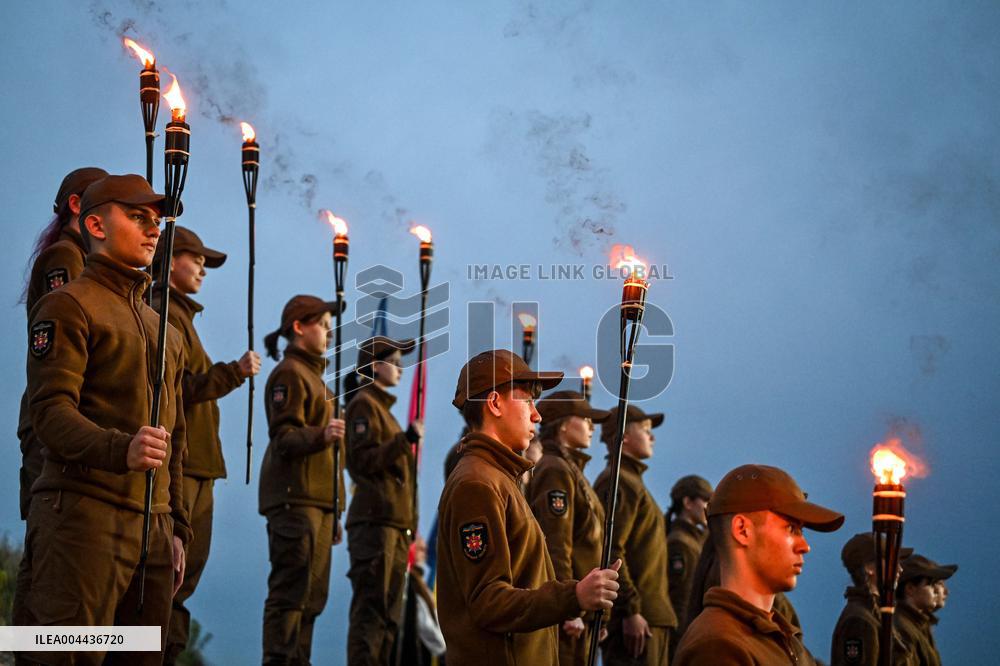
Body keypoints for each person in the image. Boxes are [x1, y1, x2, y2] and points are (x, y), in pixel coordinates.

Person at [19, 174, 191, 665]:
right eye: (137, 217)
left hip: (152, 535)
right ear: (94, 223)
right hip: (82, 521)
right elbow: (49, 413)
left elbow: (174, 440)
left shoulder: (167, 332)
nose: (153, 229)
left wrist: (177, 527)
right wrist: (122, 449)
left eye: (156, 221)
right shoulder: (68, 304)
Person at [437, 349, 621, 664]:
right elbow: (488, 602)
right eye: (527, 401)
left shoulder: (498, 478)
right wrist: (574, 596)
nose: (536, 415)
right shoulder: (477, 485)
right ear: (494, 403)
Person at [152, 226, 261, 664]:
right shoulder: (163, 313)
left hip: (199, 465)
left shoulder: (182, 317)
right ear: (171, 259)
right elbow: (181, 389)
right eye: (195, 258)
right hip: (183, 465)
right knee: (167, 580)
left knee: (182, 581)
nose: (201, 269)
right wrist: (233, 372)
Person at [13, 166, 108, 626]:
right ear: (78, 206)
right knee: (48, 549)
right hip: (52, 415)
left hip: (64, 414)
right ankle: (30, 652)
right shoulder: (65, 259)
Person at [674, 464, 844, 665]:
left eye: (802, 531)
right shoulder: (719, 646)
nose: (805, 546)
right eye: (791, 529)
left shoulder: (778, 636)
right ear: (742, 530)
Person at [258, 294, 346, 665]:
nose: (329, 332)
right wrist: (321, 435)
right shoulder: (290, 375)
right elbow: (282, 438)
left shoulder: (317, 380)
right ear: (298, 327)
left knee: (311, 600)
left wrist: (334, 508)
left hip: (318, 505)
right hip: (296, 503)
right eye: (323, 325)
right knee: (291, 598)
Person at [344, 335, 422, 665]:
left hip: (394, 526)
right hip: (375, 525)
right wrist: (404, 440)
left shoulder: (383, 411)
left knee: (389, 617)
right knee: (371, 614)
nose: (401, 368)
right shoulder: (364, 405)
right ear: (375, 366)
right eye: (394, 361)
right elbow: (361, 461)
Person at [526, 390, 611, 665]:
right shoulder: (555, 470)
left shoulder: (570, 469)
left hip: (583, 605)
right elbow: (557, 543)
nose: (592, 426)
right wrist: (568, 606)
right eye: (585, 419)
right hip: (571, 609)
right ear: (563, 424)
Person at [594, 405, 676, 665]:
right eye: (645, 429)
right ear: (624, 437)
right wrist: (630, 610)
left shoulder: (632, 481)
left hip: (651, 616)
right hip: (637, 623)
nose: (652, 437)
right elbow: (610, 549)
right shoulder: (618, 482)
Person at [830, 532, 915, 666]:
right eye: (892, 561)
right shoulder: (859, 620)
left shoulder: (877, 614)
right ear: (869, 568)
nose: (900, 569)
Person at [664, 474, 713, 649]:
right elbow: (681, 597)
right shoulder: (680, 543)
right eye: (706, 501)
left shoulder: (695, 540)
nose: (709, 507)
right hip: (684, 635)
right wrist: (685, 640)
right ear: (688, 503)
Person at [894, 554, 956, 666]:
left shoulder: (917, 625)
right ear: (910, 589)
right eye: (931, 584)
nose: (941, 591)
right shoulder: (902, 629)